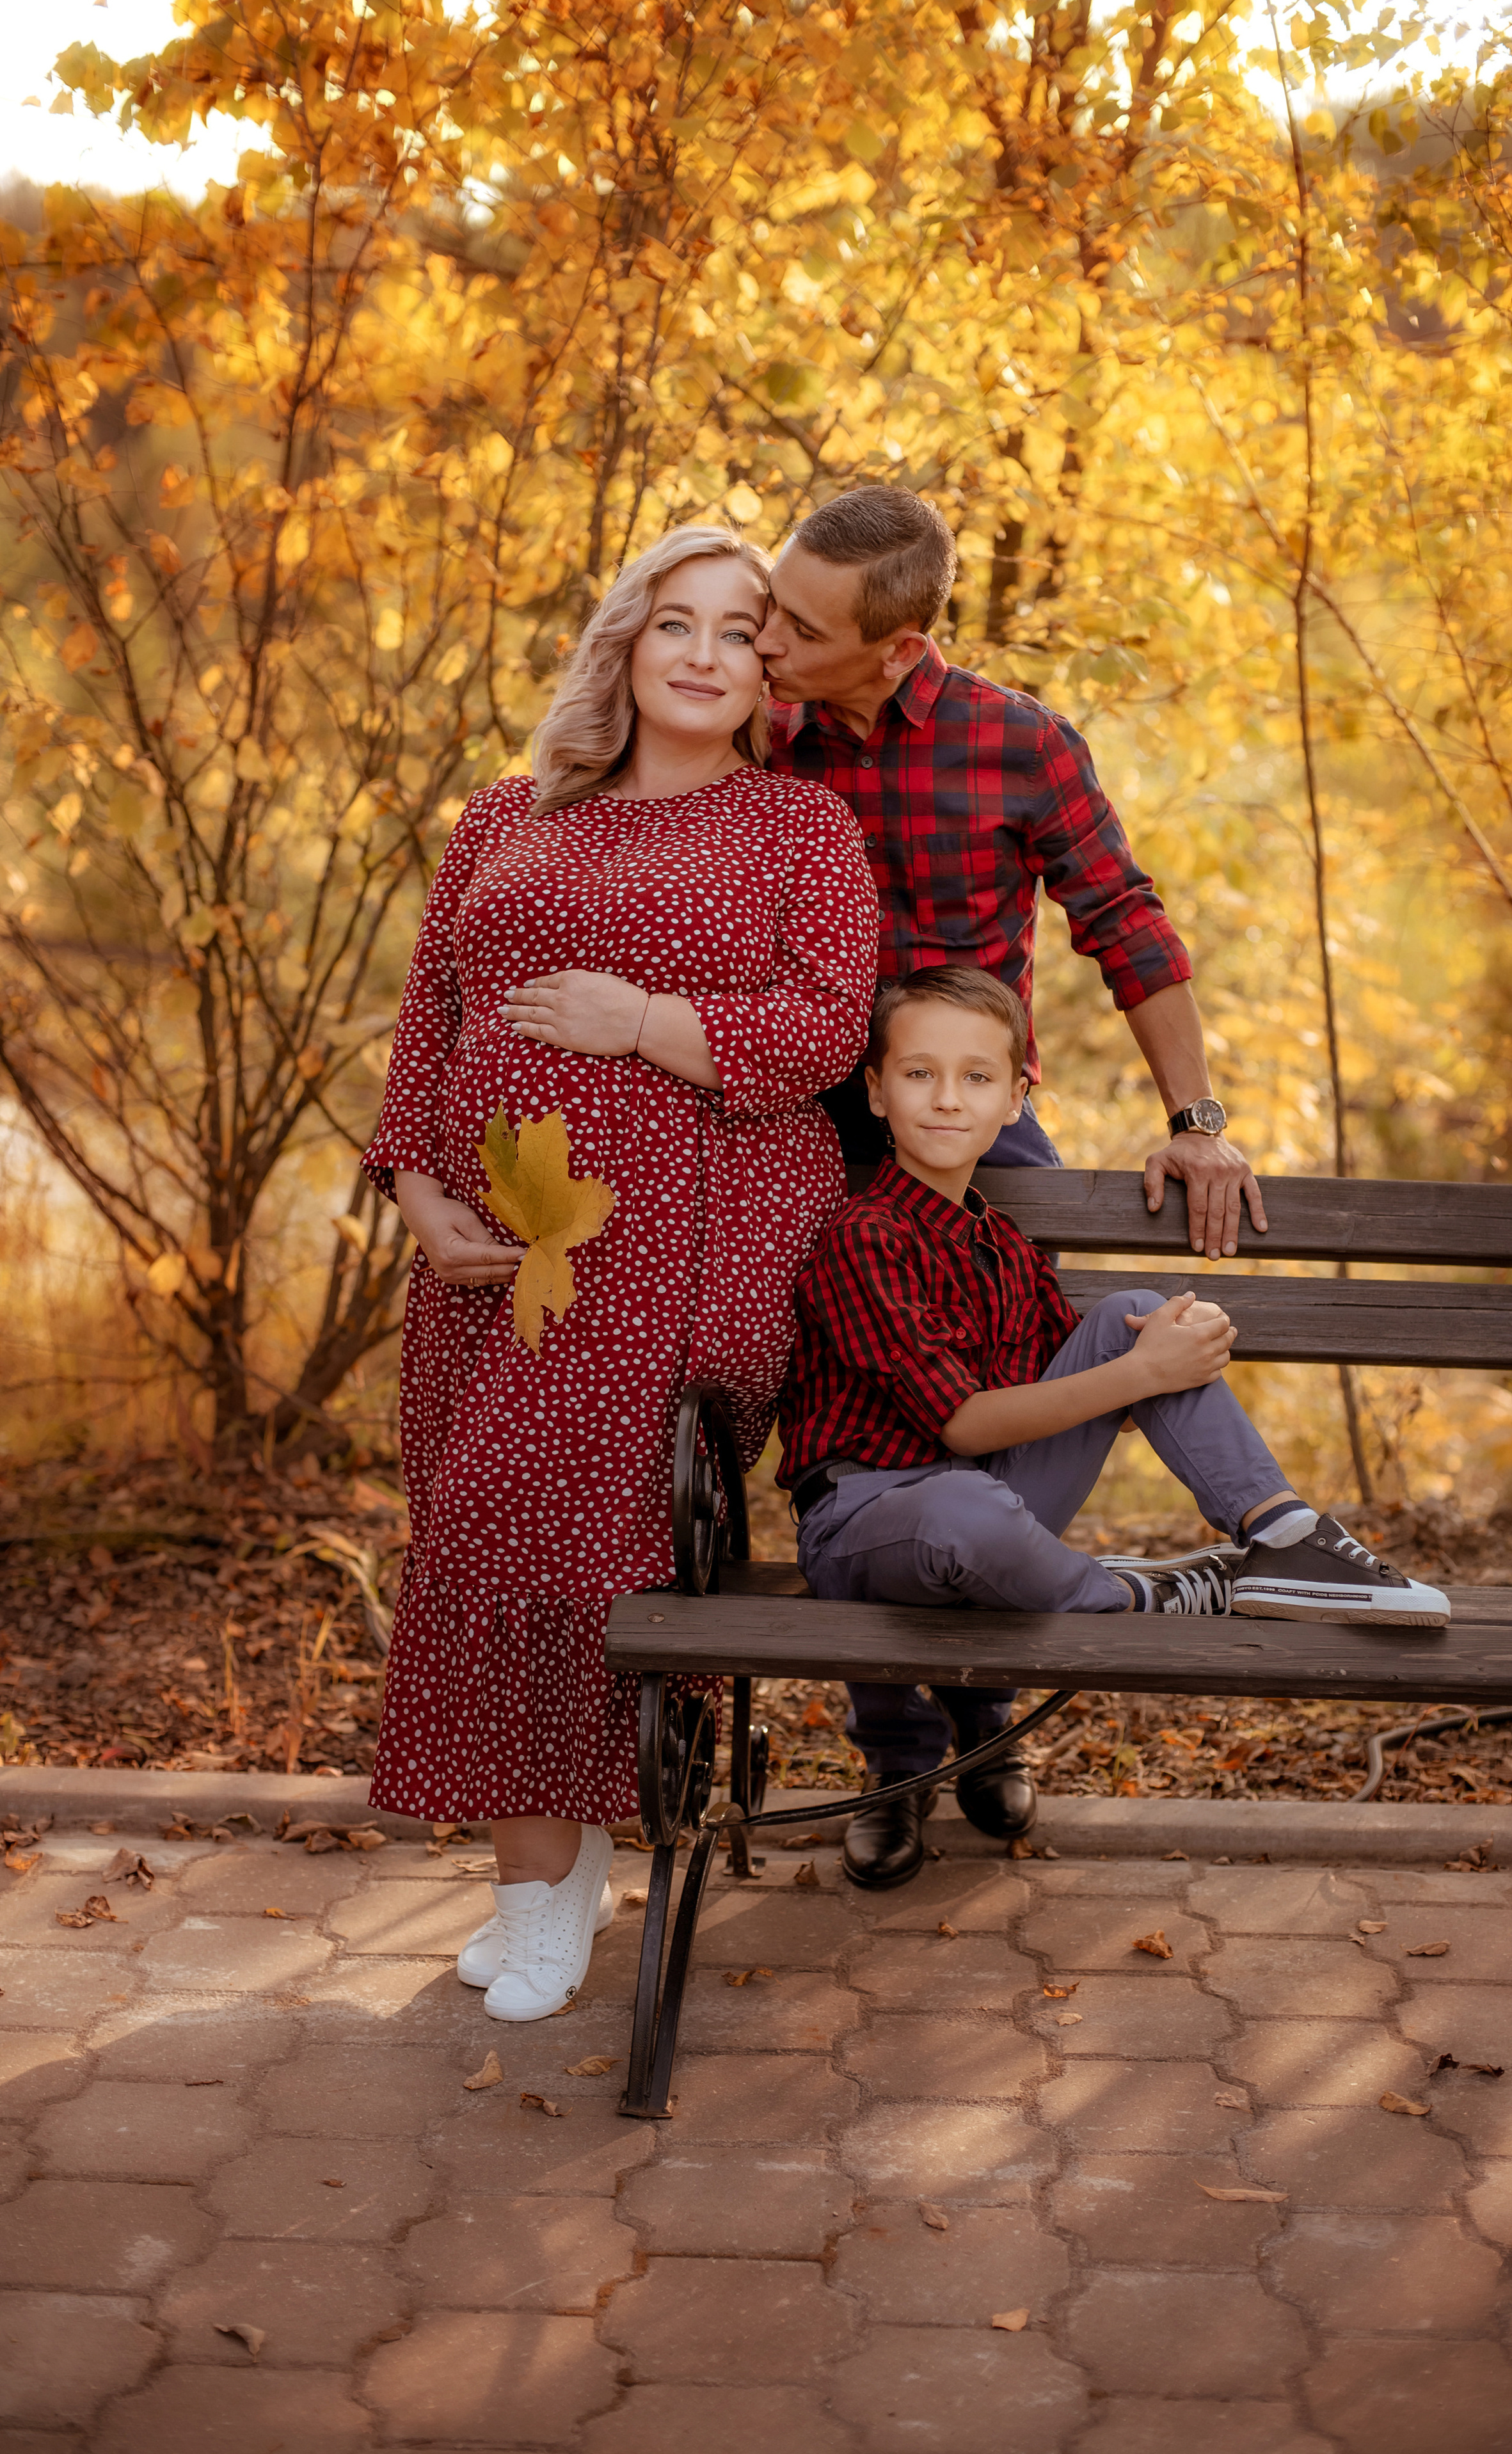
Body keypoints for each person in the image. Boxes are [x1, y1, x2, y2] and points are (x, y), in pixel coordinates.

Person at [361, 527, 877, 2019]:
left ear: (765, 665)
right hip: (486, 1247)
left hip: (681, 1238)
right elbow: (429, 1016)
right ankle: (558, 1857)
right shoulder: (502, 816)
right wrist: (411, 1184)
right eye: (677, 625)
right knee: (490, 1524)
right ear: (626, 646)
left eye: (737, 629)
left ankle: (538, 1891)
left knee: (535, 1530)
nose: (705, 654)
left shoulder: (795, 831)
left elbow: (824, 1029)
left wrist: (640, 1018)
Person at [756, 484, 1269, 1874]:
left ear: (898, 645)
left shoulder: (1015, 742)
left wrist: (1195, 1116)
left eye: (798, 627)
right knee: (857, 1452)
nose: (764, 638)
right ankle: (897, 1761)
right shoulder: (758, 735)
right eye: (769, 601)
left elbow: (1119, 914)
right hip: (812, 1124)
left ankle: (979, 1720)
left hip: (972, 1130)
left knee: (981, 1414)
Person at [777, 965, 1449, 1892]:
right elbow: (967, 1427)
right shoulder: (864, 1234)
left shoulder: (1007, 1251)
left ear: (1018, 1097)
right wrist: (1139, 1375)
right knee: (966, 1513)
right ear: (877, 1091)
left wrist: (1169, 1359)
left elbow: (1087, 1399)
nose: (946, 1098)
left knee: (1135, 1308)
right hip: (869, 1515)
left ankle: (1285, 1535)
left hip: (999, 1497)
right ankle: (1097, 1627)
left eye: (977, 1078)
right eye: (920, 1074)